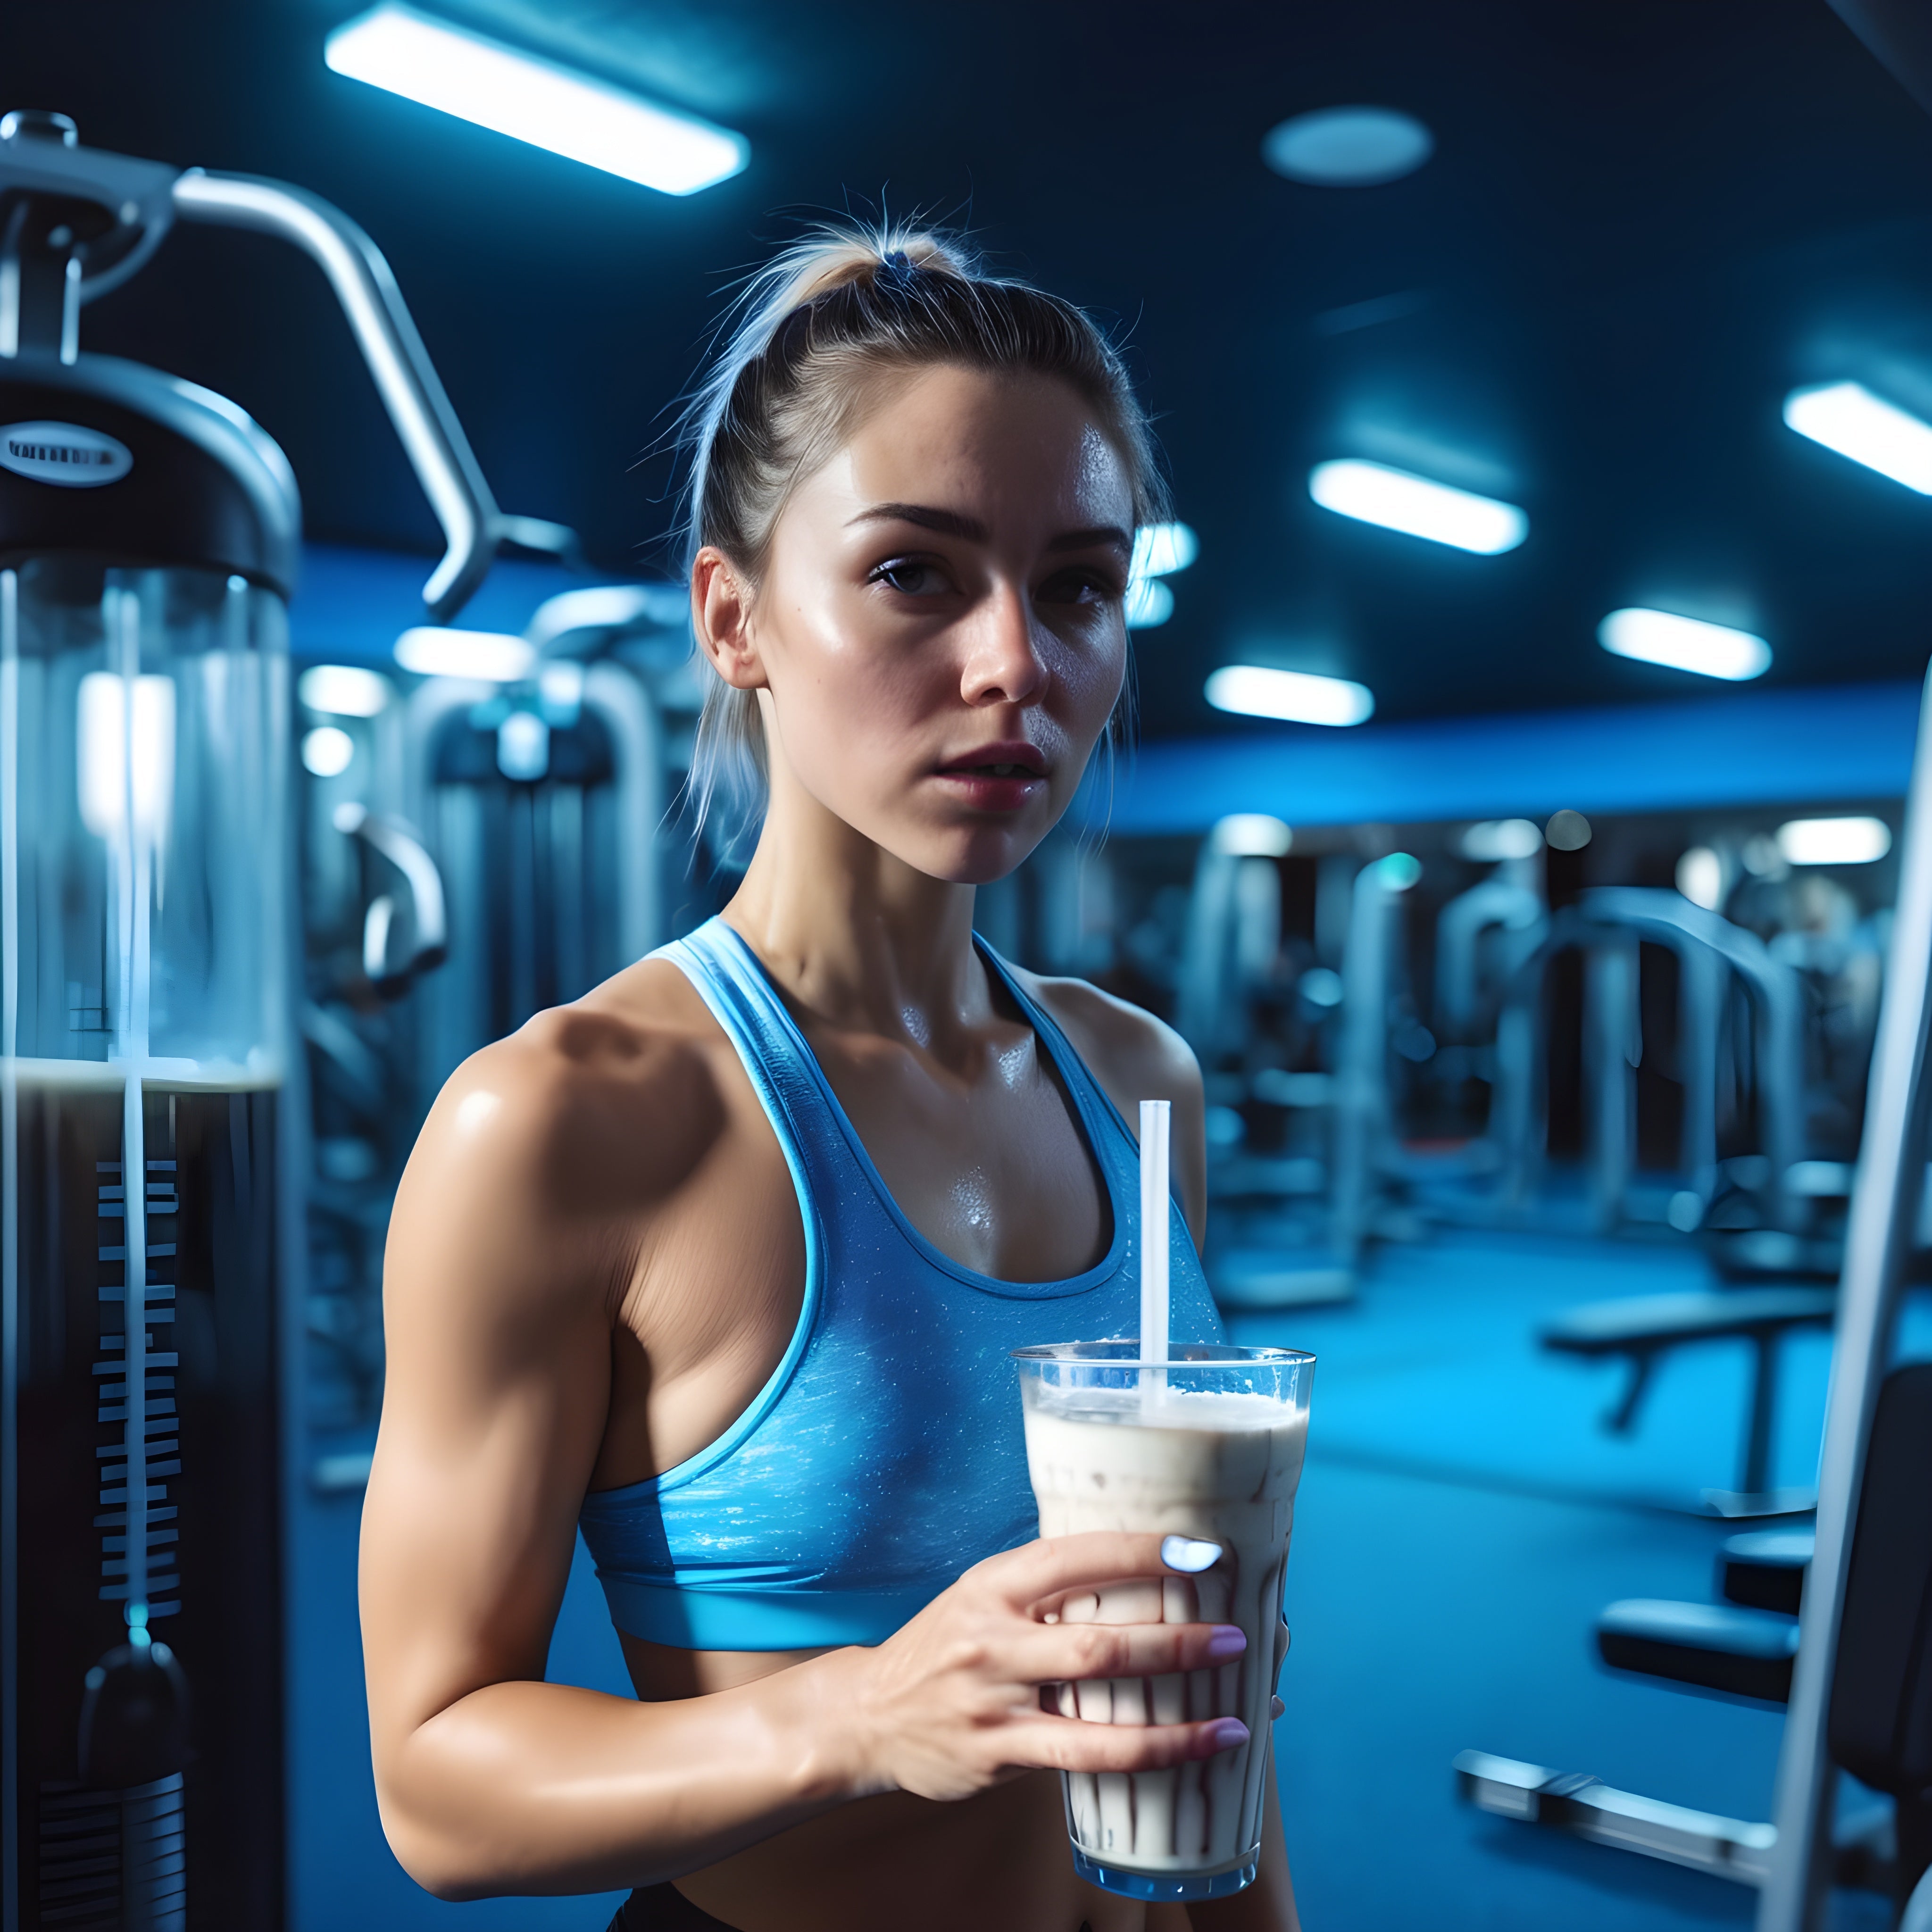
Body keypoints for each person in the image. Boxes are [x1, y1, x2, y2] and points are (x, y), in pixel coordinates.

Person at [360, 227, 1301, 1932]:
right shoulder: (569, 1123)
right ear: (736, 617)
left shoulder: (1140, 1079)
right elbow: (435, 1781)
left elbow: (1202, 1699)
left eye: (1081, 586)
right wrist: (861, 1713)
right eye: (916, 574)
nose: (1020, 662)